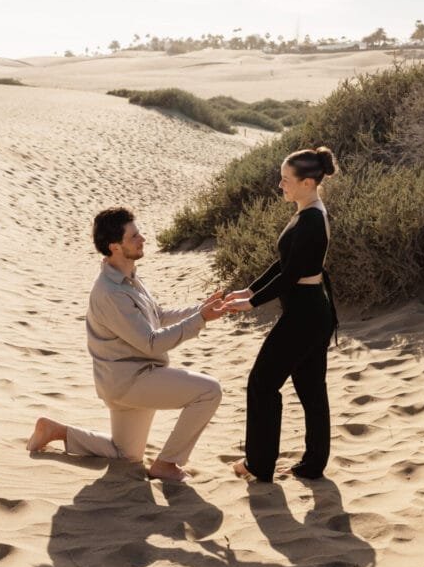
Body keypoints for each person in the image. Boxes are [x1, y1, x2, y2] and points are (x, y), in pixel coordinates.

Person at [27, 206, 228, 481]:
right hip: (131, 381)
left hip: (130, 379)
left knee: (126, 454)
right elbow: (151, 342)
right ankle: (166, 464)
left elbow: (158, 316)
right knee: (209, 391)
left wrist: (202, 310)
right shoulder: (111, 292)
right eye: (134, 236)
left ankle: (57, 431)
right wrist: (200, 319)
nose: (142, 238)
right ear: (115, 247)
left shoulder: (129, 278)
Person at [223, 147, 339, 482]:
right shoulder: (307, 211)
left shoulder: (313, 218)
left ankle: (258, 464)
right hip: (312, 310)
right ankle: (314, 464)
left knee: (262, 384)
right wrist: (250, 289)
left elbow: (291, 275)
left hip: (305, 314)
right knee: (310, 388)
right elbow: (285, 263)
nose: (280, 185)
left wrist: (253, 302)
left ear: (306, 182)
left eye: (286, 180)